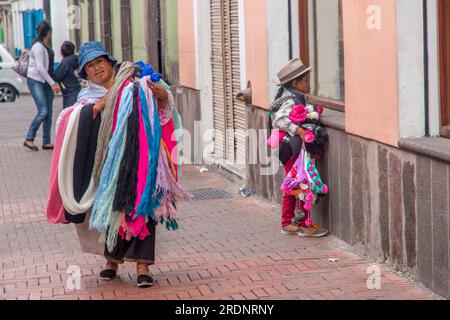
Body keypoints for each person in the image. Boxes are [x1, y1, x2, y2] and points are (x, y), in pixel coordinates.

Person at [46, 41, 186, 288]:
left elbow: (166, 101)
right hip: (107, 167)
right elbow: (66, 122)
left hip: (143, 158)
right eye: (90, 66)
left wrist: (160, 94)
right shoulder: (87, 96)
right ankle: (111, 261)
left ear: (109, 62)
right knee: (110, 209)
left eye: (99, 62)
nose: (96, 68)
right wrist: (95, 109)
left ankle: (143, 267)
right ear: (86, 74)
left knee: (143, 209)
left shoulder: (137, 80)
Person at [269, 58, 329, 238]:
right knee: (300, 183)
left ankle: (290, 222)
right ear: (295, 83)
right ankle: (300, 223)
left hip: (291, 148)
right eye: (305, 80)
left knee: (295, 183)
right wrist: (300, 131)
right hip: (291, 148)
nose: (308, 83)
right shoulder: (291, 99)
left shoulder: (294, 97)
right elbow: (278, 120)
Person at [24, 21, 60, 152]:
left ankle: (46, 141)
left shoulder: (43, 45)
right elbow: (40, 68)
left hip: (44, 81)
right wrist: (53, 83)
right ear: (48, 32)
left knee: (49, 113)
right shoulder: (38, 47)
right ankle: (29, 138)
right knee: (43, 111)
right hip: (36, 81)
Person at [53, 41, 81, 109]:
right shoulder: (77, 59)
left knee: (69, 112)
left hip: (69, 91)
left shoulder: (65, 62)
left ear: (62, 52)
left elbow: (57, 76)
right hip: (77, 88)